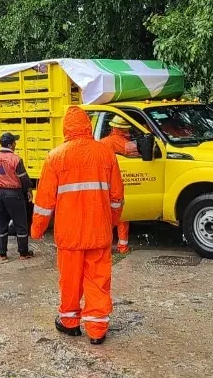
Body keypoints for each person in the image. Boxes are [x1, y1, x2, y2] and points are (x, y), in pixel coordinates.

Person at [30, 106, 125, 345]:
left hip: (69, 235)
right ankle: (97, 330)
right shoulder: (105, 154)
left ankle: (70, 323)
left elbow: (44, 201)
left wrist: (37, 229)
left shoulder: (56, 156)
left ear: (66, 128)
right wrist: (111, 222)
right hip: (98, 232)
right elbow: (117, 197)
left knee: (70, 281)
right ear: (87, 126)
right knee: (98, 279)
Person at [0, 132, 35, 260]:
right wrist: (29, 190)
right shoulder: (16, 159)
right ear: (10, 145)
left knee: (1, 223)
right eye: (14, 142)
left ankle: (2, 253)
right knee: (21, 223)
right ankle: (23, 253)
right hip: (14, 194)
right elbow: (24, 178)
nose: (16, 144)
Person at [98, 115, 137, 254]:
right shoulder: (118, 141)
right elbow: (135, 150)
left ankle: (106, 247)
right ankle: (123, 247)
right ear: (122, 129)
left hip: (102, 182)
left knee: (105, 216)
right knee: (121, 215)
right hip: (116, 180)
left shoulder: (103, 142)